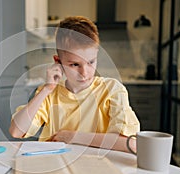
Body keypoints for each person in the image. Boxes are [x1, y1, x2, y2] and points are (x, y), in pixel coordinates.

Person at [9, 16, 140, 153]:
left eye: (91, 62)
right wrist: (47, 89)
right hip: (55, 165)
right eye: (75, 64)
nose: (84, 72)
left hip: (96, 166)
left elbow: (129, 144)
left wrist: (72, 136)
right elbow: (16, 131)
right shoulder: (49, 93)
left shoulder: (112, 89)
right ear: (58, 61)